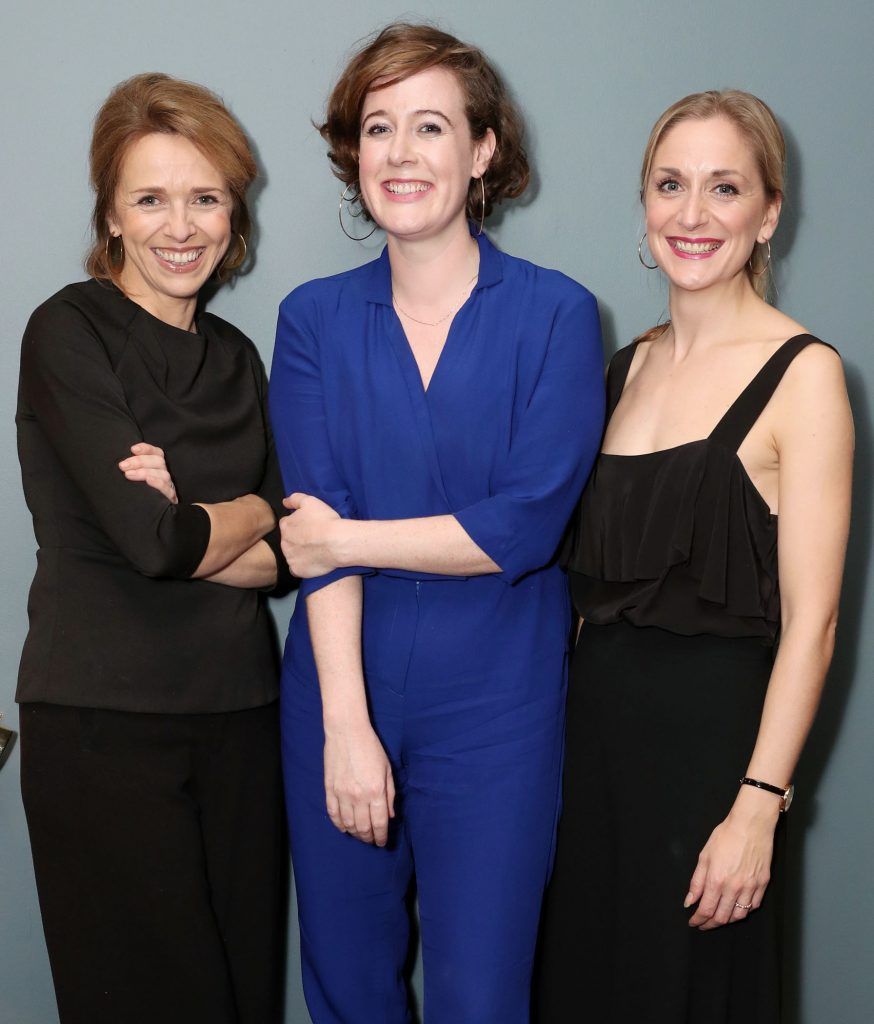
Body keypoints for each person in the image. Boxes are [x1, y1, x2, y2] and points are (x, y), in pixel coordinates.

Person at [268, 23, 605, 1023]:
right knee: (347, 982)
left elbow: (524, 526)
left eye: (430, 127)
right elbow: (310, 525)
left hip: (498, 701)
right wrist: (344, 726)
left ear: (483, 150)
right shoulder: (312, 320)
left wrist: (344, 538)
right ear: (352, 151)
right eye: (378, 129)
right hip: (339, 687)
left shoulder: (555, 315)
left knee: (480, 993)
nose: (401, 155)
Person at [535, 90, 853, 1022]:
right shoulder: (619, 368)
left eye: (725, 188)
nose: (693, 213)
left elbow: (816, 623)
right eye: (671, 185)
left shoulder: (808, 375)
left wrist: (759, 807)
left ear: (769, 213)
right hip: (587, 759)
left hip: (717, 764)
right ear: (644, 203)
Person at [16, 73, 291, 1024]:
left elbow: (290, 555)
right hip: (101, 726)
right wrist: (258, 507)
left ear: (233, 213)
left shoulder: (238, 359)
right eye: (151, 198)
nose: (182, 226)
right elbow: (157, 542)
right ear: (113, 216)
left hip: (244, 718)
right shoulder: (67, 330)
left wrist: (232, 517)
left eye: (206, 197)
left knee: (244, 997)